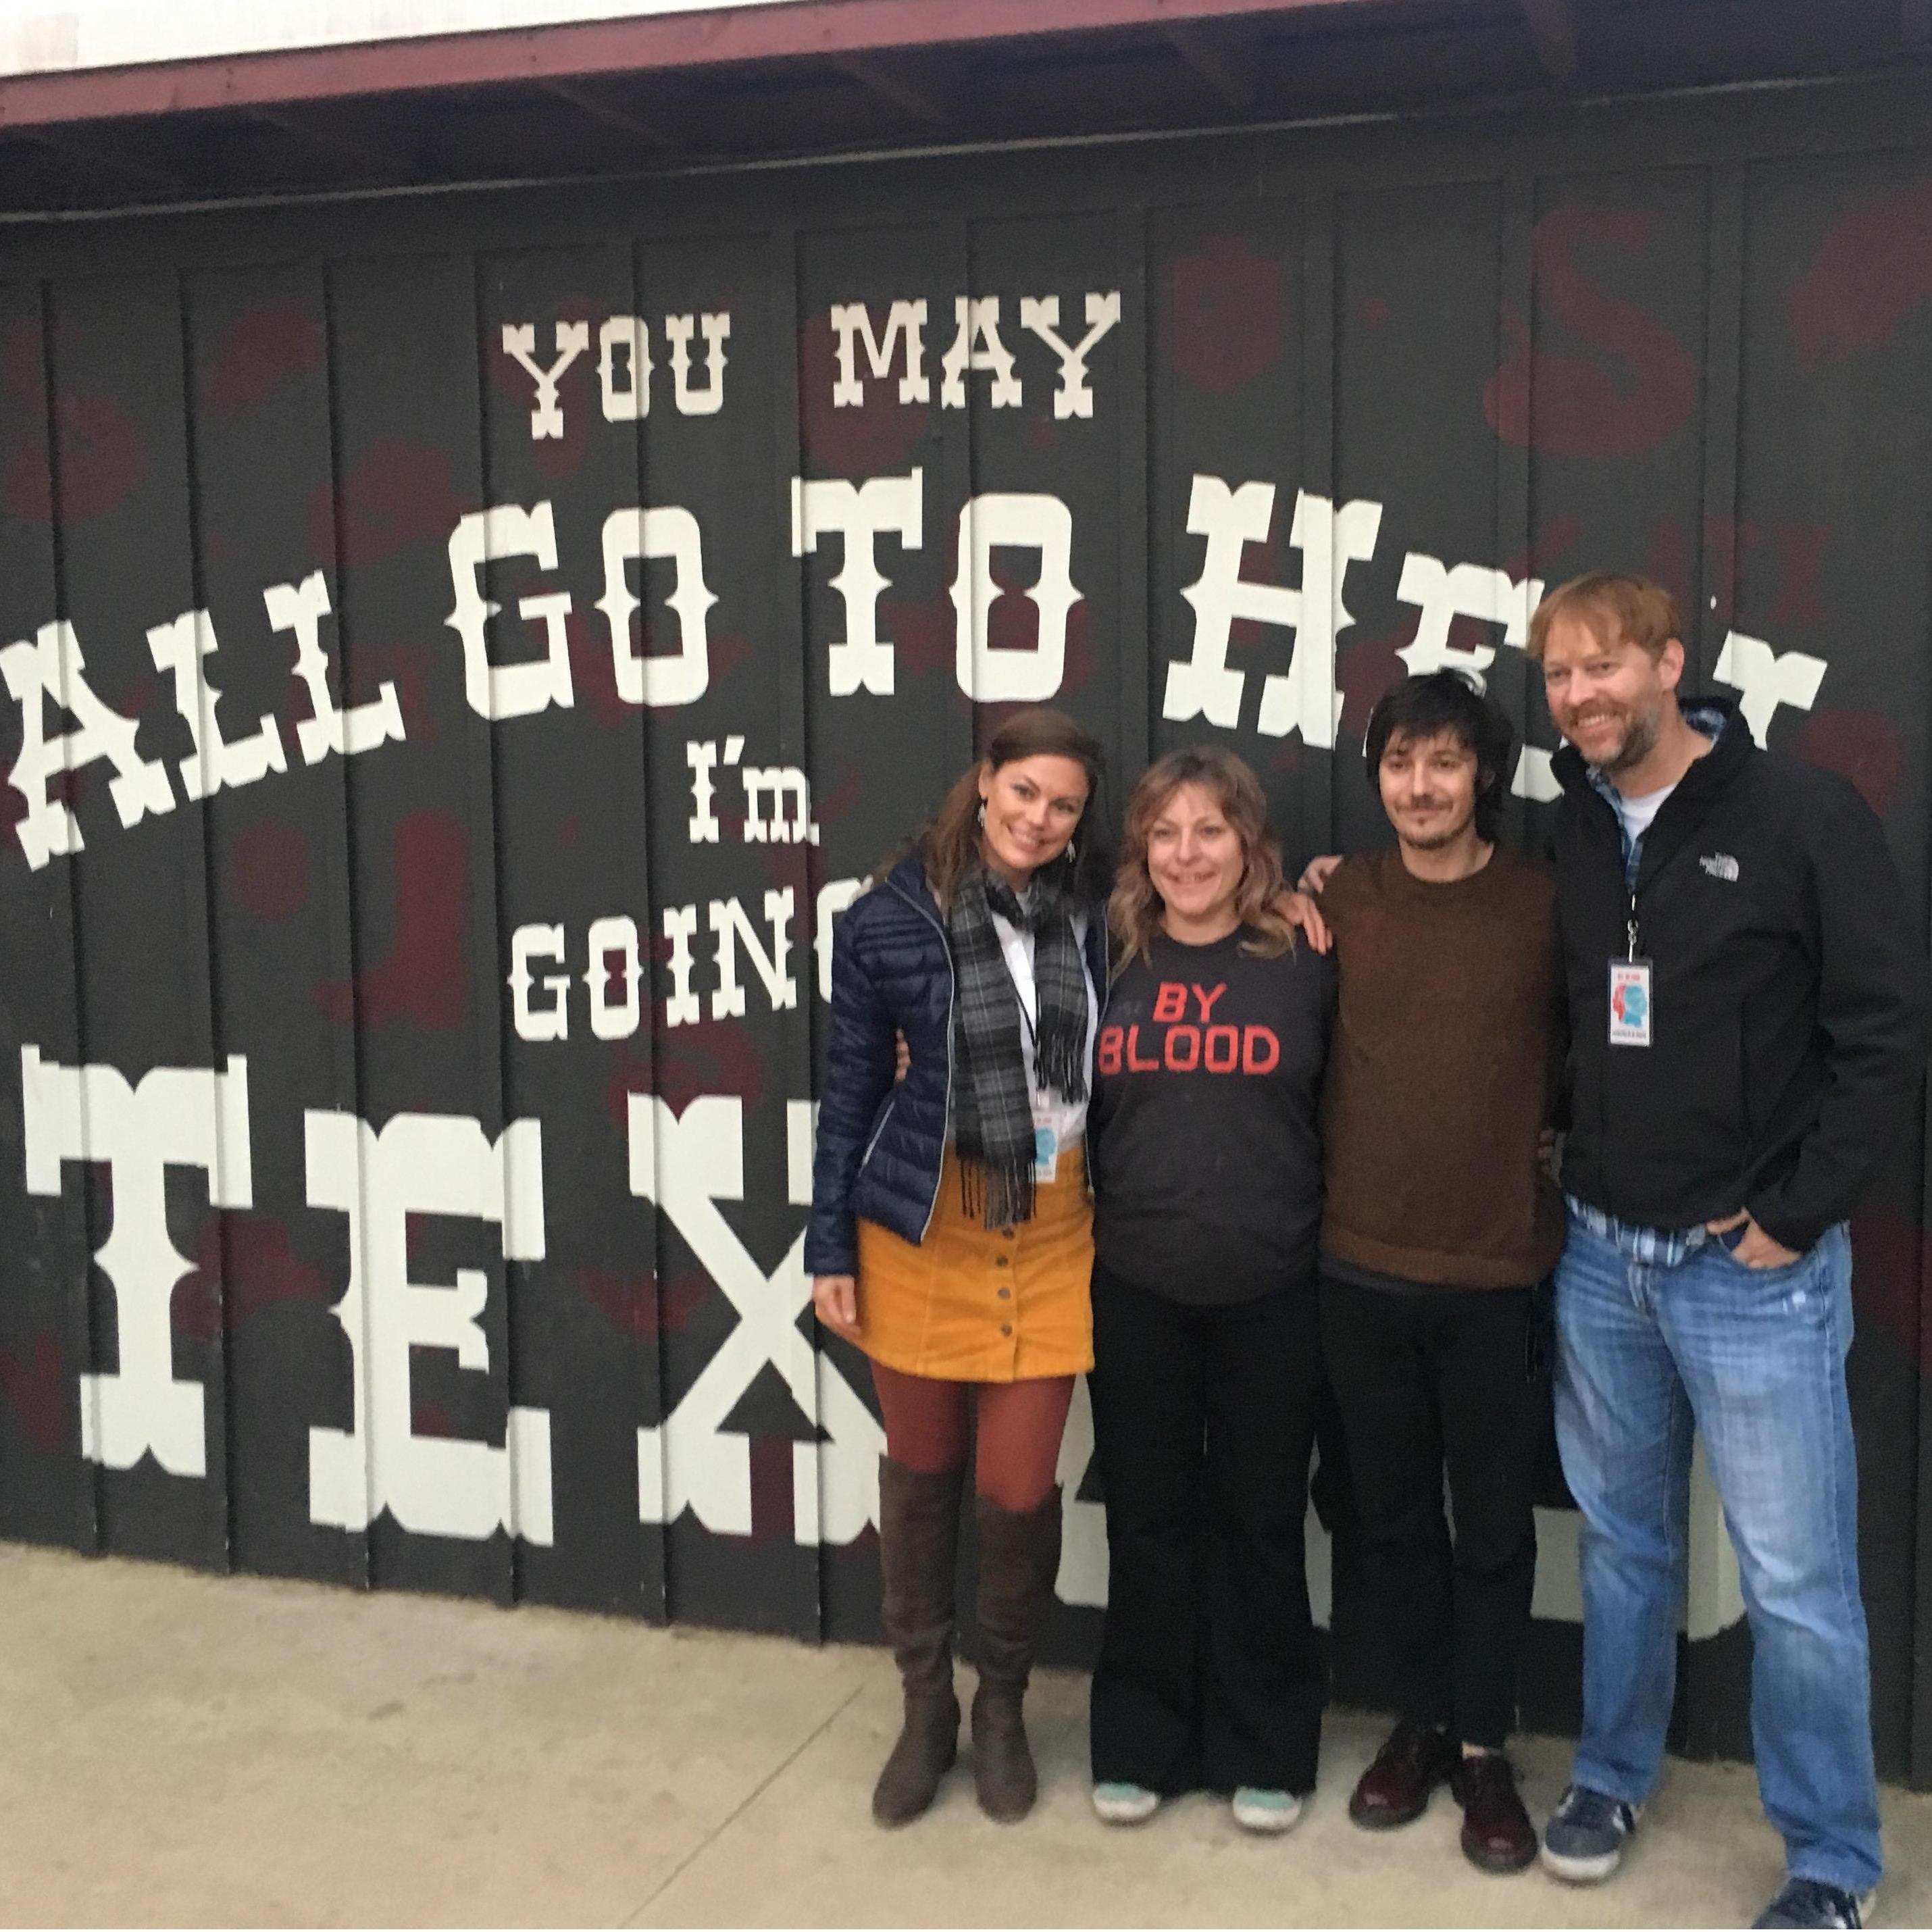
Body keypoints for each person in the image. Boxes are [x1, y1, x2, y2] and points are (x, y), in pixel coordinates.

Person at [1528, 574, 1928, 1930]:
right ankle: (1608, 1776)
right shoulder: (1574, 822)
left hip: (1751, 1274)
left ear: (1667, 662)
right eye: (1557, 675)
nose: (1579, 695)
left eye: (1601, 666)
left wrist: (1795, 1214)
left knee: (1795, 1582)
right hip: (1599, 1257)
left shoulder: (1801, 815)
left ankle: (1830, 1856)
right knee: (1622, 1545)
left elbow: (1883, 1032)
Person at [806, 707, 1111, 1828]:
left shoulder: (1101, 913)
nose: (1039, 818)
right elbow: (849, 1090)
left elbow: (1216, 913)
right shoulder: (888, 919)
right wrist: (828, 1241)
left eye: (1064, 804)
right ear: (984, 784)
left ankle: (1003, 1710)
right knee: (923, 1477)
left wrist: (1304, 890)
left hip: (1056, 1226)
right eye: (1024, 791)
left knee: (1019, 1493)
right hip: (924, 1227)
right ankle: (926, 1708)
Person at [1306, 670, 1566, 1875]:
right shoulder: (1337, 897)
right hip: (1359, 1266)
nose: (1421, 786)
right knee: (1392, 1519)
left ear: (1485, 776)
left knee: (1496, 1527)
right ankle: (1419, 1722)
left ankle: (1483, 1747)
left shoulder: (1545, 904)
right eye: (1401, 763)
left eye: (1445, 763)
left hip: (1498, 1270)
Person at [1084, 746, 1336, 1835]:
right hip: (1136, 1281)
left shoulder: (1307, 954)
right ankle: (1143, 1740)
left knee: (1261, 1522)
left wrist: (1323, 889)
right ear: (1141, 848)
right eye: (1166, 832)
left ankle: (1265, 1745)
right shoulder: (1106, 956)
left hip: (1273, 1284)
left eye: (1212, 830)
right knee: (1146, 1522)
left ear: (1250, 844)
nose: (1188, 854)